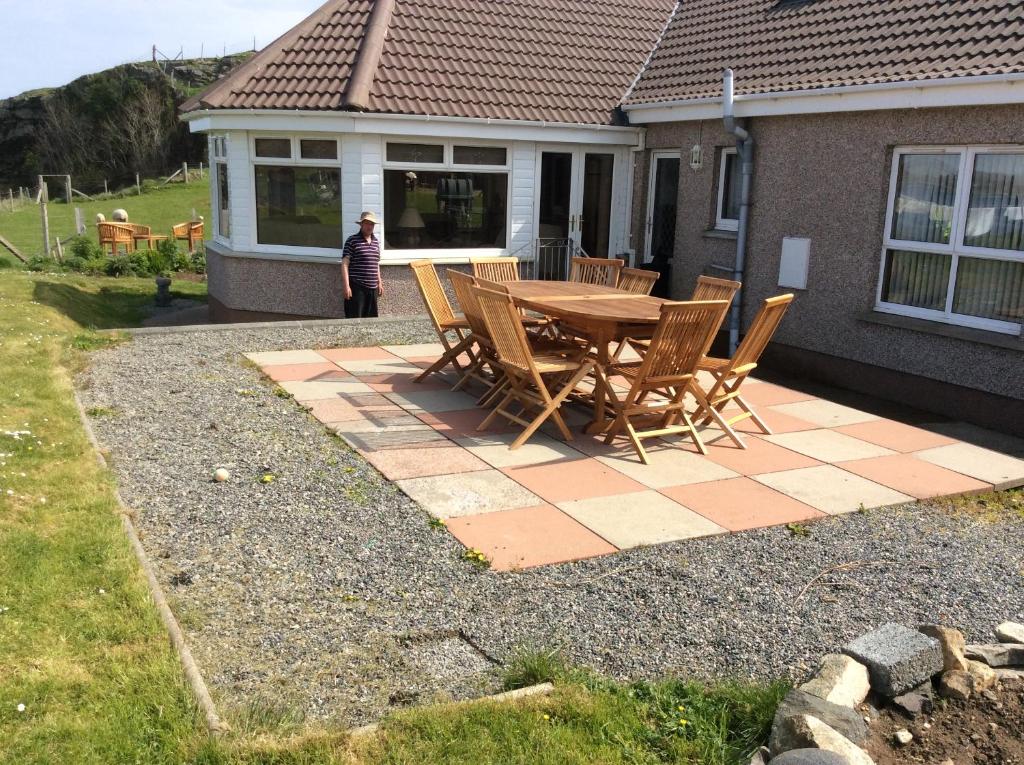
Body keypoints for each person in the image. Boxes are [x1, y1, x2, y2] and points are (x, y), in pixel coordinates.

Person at [341, 211, 383, 318]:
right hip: (357, 287)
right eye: (367, 223)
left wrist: (379, 282)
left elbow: (376, 263)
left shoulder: (375, 242)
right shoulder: (352, 240)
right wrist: (346, 286)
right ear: (361, 224)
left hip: (372, 289)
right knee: (355, 319)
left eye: (372, 224)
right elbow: (344, 264)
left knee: (371, 321)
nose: (370, 226)